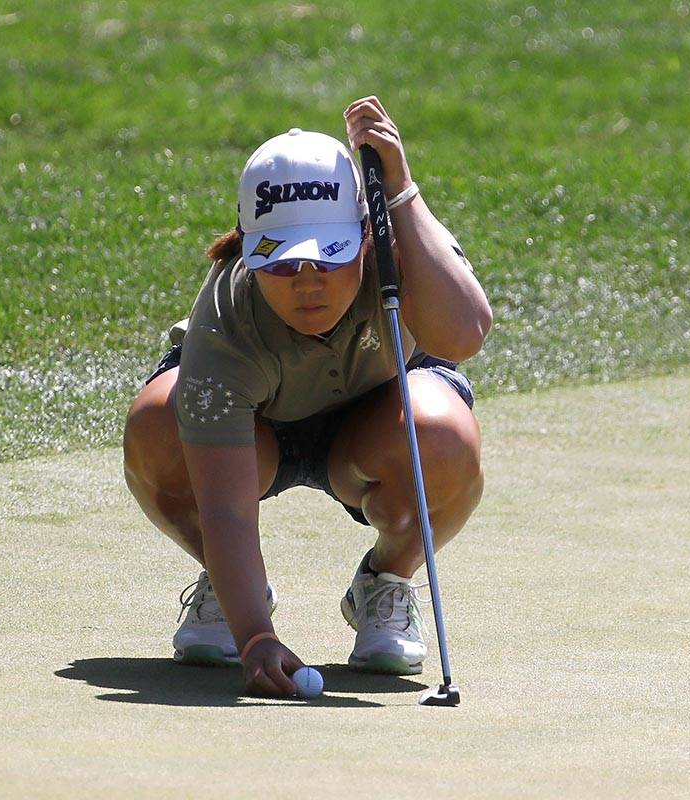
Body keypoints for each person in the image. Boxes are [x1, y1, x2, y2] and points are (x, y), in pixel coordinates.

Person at [122, 97, 491, 698]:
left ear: (365, 235)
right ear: (247, 248)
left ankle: (385, 581)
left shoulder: (401, 243)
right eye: (284, 262)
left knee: (443, 431)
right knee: (158, 423)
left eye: (328, 254)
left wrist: (399, 188)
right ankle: (232, 587)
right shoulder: (226, 321)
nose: (309, 282)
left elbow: (465, 334)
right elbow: (228, 509)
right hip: (255, 432)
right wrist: (255, 638)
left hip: (378, 425)